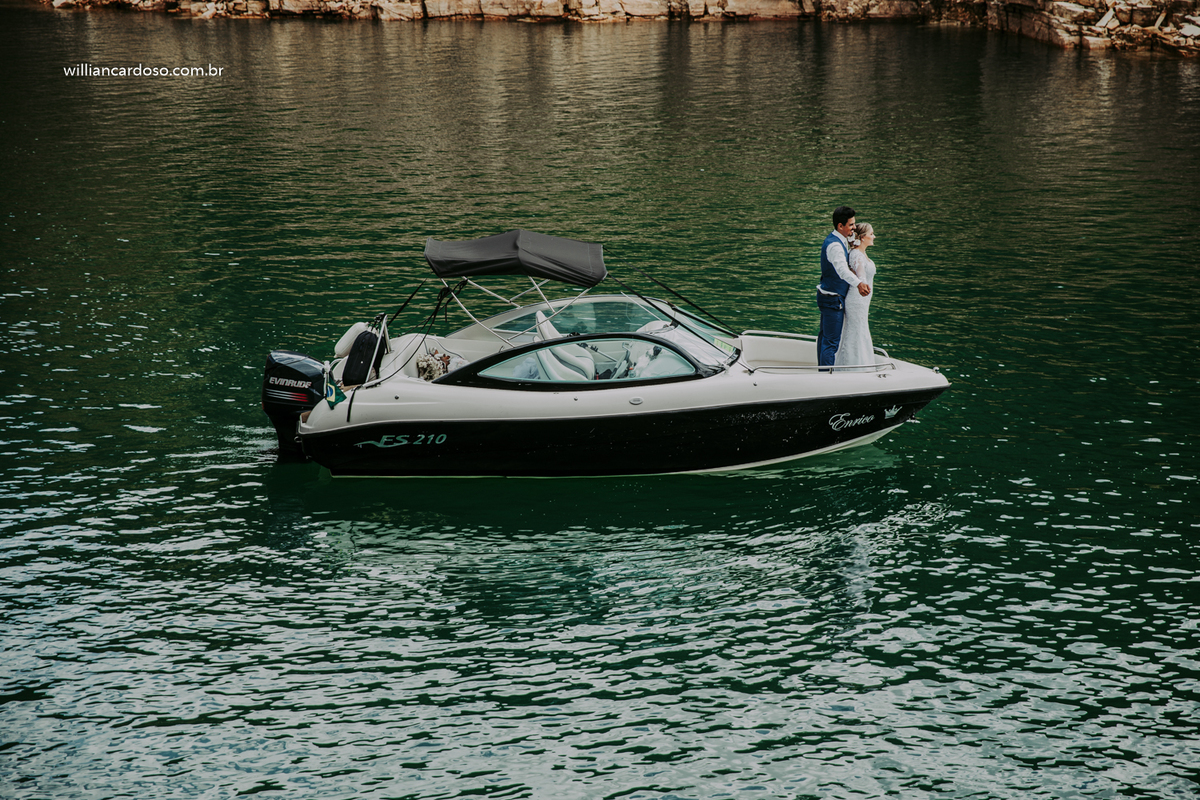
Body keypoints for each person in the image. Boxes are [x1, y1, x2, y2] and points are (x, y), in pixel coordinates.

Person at [816, 206, 871, 367]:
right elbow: (841, 270)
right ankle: (826, 377)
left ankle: (821, 371)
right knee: (831, 342)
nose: (854, 227)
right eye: (851, 225)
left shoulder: (839, 240)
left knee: (825, 337)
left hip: (828, 295)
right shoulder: (834, 246)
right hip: (832, 298)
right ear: (840, 226)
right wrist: (859, 283)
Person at [834, 222, 877, 369]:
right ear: (863, 237)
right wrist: (863, 285)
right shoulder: (857, 255)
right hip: (857, 300)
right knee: (856, 331)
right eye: (871, 234)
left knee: (861, 329)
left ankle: (862, 364)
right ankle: (852, 367)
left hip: (863, 301)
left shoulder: (861, 253)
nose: (874, 236)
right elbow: (861, 277)